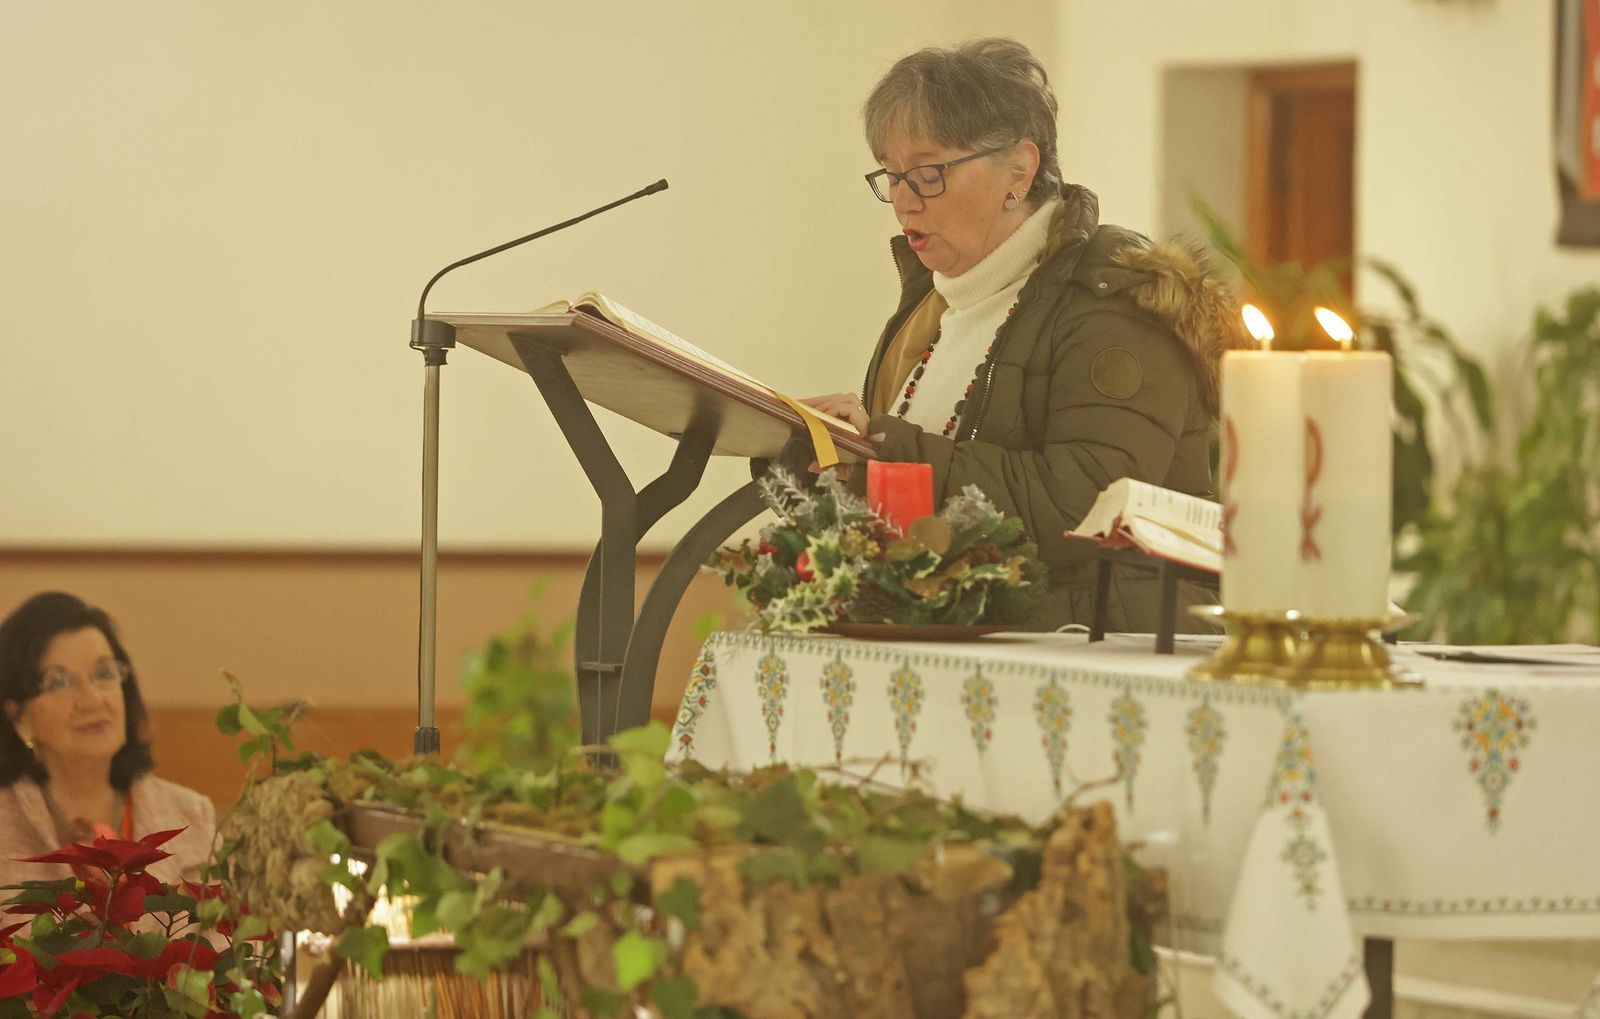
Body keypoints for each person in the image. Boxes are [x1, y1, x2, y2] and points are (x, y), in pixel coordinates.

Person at [802, 38, 1243, 631]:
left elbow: (1086, 502)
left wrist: (885, 450)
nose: (903, 200)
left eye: (929, 173)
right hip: (967, 641)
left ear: (1020, 170)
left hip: (1105, 646)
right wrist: (840, 449)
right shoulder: (931, 310)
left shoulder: (1113, 300)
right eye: (893, 174)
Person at [0, 592, 215, 903]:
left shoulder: (190, 815)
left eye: (104, 674)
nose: (92, 699)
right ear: (18, 716)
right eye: (59, 681)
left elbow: (227, 943)